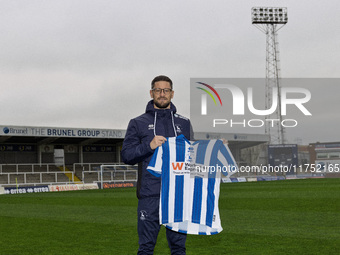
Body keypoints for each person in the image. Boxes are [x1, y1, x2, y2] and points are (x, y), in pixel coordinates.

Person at [121, 75, 192, 255]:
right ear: (151, 93)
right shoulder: (138, 123)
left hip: (177, 196)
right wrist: (149, 146)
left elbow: (192, 156)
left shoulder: (184, 123)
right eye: (158, 90)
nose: (162, 94)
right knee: (146, 248)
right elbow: (126, 155)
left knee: (179, 248)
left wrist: (214, 149)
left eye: (166, 90)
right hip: (150, 195)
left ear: (172, 93)